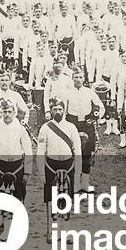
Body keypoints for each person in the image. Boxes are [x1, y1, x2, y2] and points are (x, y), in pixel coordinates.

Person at [0, 98, 32, 237]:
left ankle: (11, 228)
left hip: (16, 166)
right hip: (0, 166)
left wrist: (27, 172)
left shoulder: (21, 129)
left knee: (16, 196)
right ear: (1, 113)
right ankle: (1, 221)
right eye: (5, 112)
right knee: (1, 196)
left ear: (14, 112)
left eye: (10, 111)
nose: (7, 114)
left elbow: (28, 152)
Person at [36, 97, 81, 230]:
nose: (58, 111)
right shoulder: (45, 128)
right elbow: (40, 151)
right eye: (55, 109)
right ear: (50, 110)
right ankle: (53, 229)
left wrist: (77, 172)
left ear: (64, 111)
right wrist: (41, 173)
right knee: (51, 197)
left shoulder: (71, 127)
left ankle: (66, 228)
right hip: (51, 165)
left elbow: (77, 150)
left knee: (67, 196)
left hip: (68, 165)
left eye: (60, 109)